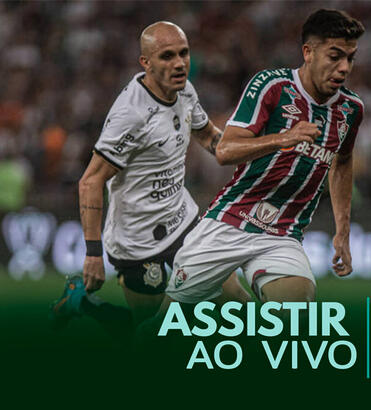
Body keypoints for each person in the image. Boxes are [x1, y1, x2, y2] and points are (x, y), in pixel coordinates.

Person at [154, 8, 365, 313]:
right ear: (308, 52)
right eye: (335, 56)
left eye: (350, 57)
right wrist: (283, 138)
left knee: (296, 315)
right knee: (165, 327)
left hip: (283, 233)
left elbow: (343, 162)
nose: (344, 68)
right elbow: (225, 151)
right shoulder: (273, 86)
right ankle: (229, 292)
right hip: (229, 222)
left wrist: (342, 231)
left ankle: (236, 299)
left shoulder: (351, 109)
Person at [50, 21, 250, 336]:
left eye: (183, 53)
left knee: (237, 301)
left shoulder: (183, 89)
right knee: (155, 330)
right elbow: (90, 181)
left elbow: (210, 136)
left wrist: (257, 156)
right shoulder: (131, 115)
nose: (179, 63)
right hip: (137, 240)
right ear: (146, 63)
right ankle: (83, 303)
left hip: (183, 219)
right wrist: (92, 254)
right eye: (167, 56)